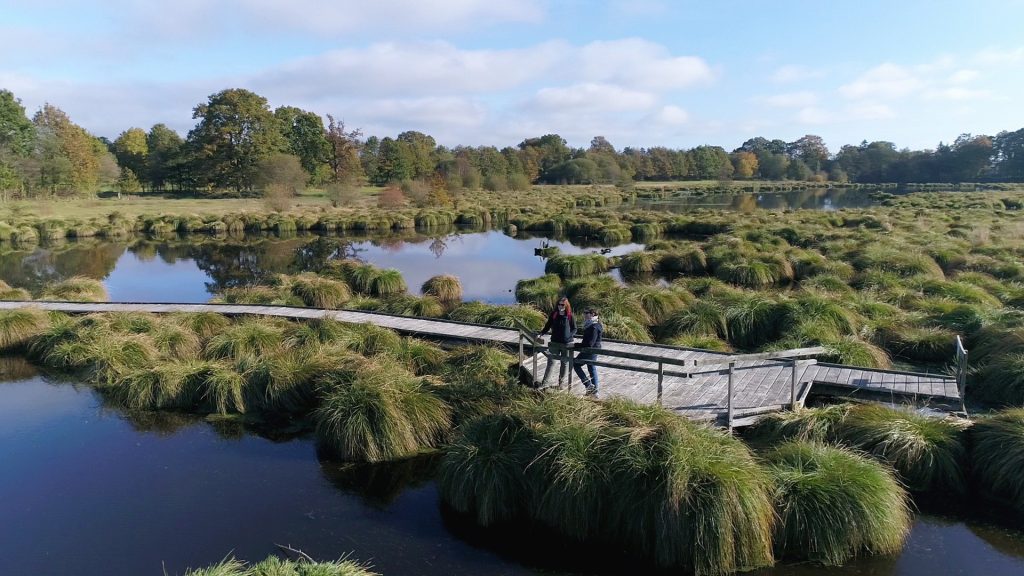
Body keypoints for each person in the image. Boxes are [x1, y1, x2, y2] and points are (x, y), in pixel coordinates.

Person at [536, 296, 576, 387]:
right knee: (551, 362)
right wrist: (541, 334)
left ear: (566, 306)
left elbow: (575, 329)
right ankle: (544, 384)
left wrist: (569, 336)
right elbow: (548, 325)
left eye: (562, 305)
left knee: (564, 363)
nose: (560, 306)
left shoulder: (569, 315)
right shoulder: (554, 314)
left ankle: (561, 384)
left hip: (567, 344)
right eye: (558, 304)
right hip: (554, 342)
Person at [574, 307, 603, 396]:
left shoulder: (594, 326)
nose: (584, 315)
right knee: (591, 367)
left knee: (576, 364)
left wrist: (576, 345)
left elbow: (590, 343)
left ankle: (589, 385)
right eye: (584, 313)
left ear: (593, 314)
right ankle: (594, 391)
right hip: (594, 349)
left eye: (587, 313)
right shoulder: (593, 324)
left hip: (591, 350)